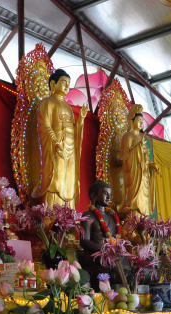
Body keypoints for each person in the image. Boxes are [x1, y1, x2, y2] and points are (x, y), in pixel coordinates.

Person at [32, 69, 88, 207]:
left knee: (69, 178)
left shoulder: (68, 108)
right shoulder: (48, 102)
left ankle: (68, 211)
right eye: (63, 82)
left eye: (68, 83)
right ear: (53, 84)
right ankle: (51, 209)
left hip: (69, 149)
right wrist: (55, 141)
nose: (67, 86)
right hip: (55, 147)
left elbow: (74, 131)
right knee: (55, 177)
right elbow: (44, 124)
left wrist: (81, 119)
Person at [78, 180, 124, 290]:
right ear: (94, 196)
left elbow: (115, 238)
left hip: (111, 254)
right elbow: (84, 241)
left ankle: (120, 293)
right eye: (105, 194)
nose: (108, 197)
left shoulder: (112, 217)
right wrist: (103, 249)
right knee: (106, 270)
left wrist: (114, 249)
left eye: (110, 194)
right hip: (95, 256)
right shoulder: (88, 215)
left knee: (124, 266)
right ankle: (104, 290)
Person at [118, 104, 158, 215]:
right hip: (134, 171)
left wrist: (150, 165)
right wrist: (137, 148)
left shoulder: (141, 138)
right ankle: (133, 210)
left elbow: (145, 159)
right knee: (134, 195)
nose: (141, 123)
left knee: (144, 196)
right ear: (132, 121)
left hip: (143, 173)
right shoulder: (128, 136)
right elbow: (124, 156)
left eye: (142, 121)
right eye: (139, 120)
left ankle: (144, 214)